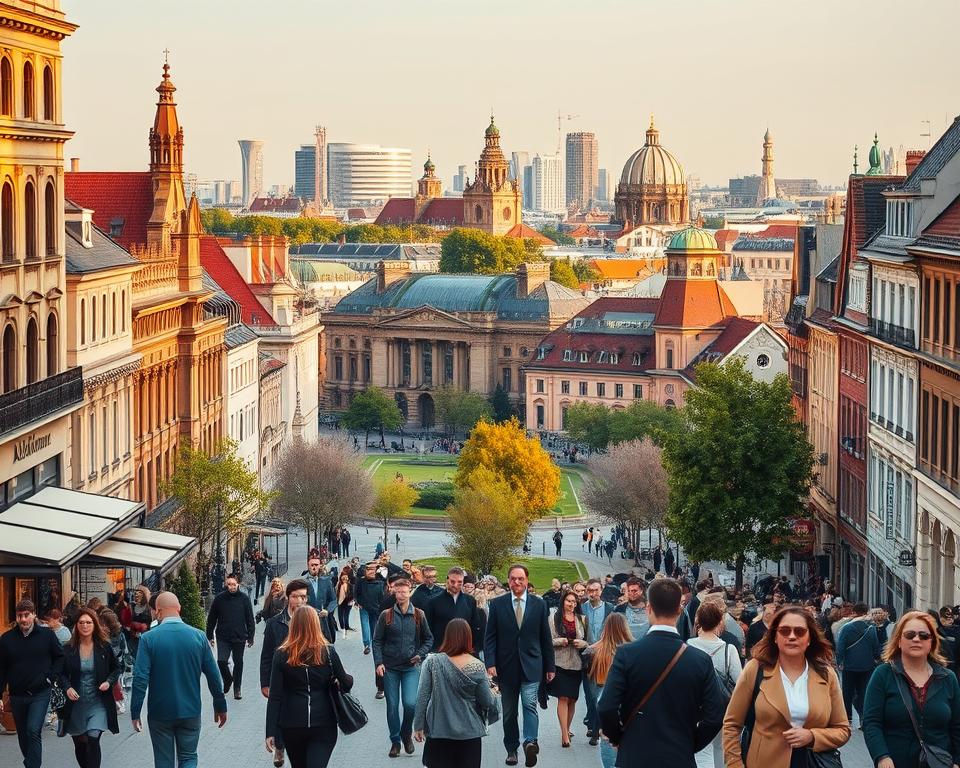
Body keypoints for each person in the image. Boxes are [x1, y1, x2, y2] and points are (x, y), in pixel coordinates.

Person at [598, 578, 725, 768]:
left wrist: (619, 738)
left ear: (649, 608)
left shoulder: (627, 654)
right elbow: (716, 713)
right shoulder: (699, 660)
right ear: (679, 610)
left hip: (635, 754)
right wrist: (692, 742)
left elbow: (606, 706)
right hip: (679, 755)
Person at [722, 606, 850, 768]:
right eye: (784, 631)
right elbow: (732, 724)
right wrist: (735, 764)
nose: (791, 636)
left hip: (812, 762)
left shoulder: (826, 674)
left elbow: (842, 729)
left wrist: (812, 736)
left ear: (809, 638)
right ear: (775, 636)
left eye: (799, 631)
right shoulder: (756, 669)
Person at [130, 592, 228, 768]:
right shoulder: (198, 637)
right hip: (190, 709)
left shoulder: (148, 639)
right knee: (189, 757)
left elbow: (140, 678)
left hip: (160, 711)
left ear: (157, 611)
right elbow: (214, 675)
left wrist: (135, 711)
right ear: (179, 609)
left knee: (163, 761)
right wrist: (220, 705)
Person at [863, 610, 960, 768]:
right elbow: (871, 722)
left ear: (932, 642)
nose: (916, 639)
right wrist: (882, 756)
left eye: (923, 635)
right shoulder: (883, 674)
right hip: (895, 763)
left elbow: (957, 725)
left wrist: (957, 761)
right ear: (899, 641)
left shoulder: (948, 678)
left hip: (940, 762)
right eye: (909, 635)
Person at [484, 564, 556, 767]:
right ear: (508, 580)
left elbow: (545, 638)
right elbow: (490, 638)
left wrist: (550, 666)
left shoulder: (539, 604)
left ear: (526, 580)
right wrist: (490, 663)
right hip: (506, 667)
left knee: (529, 705)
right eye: (513, 579)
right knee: (509, 713)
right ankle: (511, 749)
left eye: (521, 579)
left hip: (532, 665)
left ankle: (530, 742)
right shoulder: (497, 604)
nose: (517, 582)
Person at [265, 606, 353, 768]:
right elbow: (346, 684)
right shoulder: (327, 652)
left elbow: (275, 695)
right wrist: (347, 678)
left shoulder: (281, 654)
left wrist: (270, 731)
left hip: (292, 723)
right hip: (324, 722)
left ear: (294, 625)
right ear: (315, 624)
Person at [413, 618, 499, 768]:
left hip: (439, 731)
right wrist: (494, 692)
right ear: (468, 638)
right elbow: (487, 701)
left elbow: (422, 696)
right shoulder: (477, 666)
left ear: (447, 637)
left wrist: (418, 726)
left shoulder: (432, 662)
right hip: (469, 733)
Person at [0, 599, 65, 768]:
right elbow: (1, 669)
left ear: (34, 615)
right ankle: (30, 762)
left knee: (33, 730)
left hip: (40, 693)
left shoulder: (47, 635)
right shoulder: (6, 640)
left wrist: (50, 678)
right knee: (23, 734)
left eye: (26, 615)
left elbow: (60, 658)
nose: (23, 619)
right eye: (20, 615)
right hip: (17, 694)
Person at [373, 577, 433, 758]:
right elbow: (377, 641)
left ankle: (406, 733)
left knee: (410, 704)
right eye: (397, 592)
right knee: (392, 706)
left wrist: (420, 654)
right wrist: (379, 663)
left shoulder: (418, 615)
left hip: (410, 667)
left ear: (409, 592)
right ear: (394, 592)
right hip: (390, 667)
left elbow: (429, 638)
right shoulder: (386, 615)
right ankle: (395, 741)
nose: (400, 595)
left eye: (403, 592)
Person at [58, 608, 121, 768]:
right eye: (81, 623)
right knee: (80, 743)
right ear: (76, 626)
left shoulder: (103, 647)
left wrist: (108, 681)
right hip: (76, 704)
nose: (85, 625)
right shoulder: (68, 649)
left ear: (94, 625)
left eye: (88, 622)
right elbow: (61, 674)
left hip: (98, 702)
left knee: (93, 737)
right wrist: (67, 688)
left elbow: (116, 668)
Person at [260, 579, 310, 768]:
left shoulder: (313, 621)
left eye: (303, 597)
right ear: (288, 598)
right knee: (279, 711)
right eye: (296, 596)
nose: (299, 601)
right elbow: (266, 656)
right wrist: (265, 683)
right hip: (280, 678)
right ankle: (279, 746)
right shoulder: (275, 623)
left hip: (304, 678)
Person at [688, 601, 742, 768]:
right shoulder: (729, 649)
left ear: (698, 621)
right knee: (720, 749)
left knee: (700, 752)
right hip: (721, 706)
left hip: (694, 706)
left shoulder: (687, 646)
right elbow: (740, 682)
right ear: (720, 621)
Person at [583, 612, 633, 768]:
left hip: (602, 695)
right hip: (627, 700)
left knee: (607, 737)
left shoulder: (594, 650)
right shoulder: (633, 650)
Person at [205, 573, 255, 700]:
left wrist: (251, 635)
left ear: (238, 584)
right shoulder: (219, 599)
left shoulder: (244, 599)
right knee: (221, 661)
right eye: (229, 584)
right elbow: (212, 618)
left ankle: (237, 689)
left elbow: (250, 618)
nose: (231, 587)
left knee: (238, 662)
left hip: (239, 636)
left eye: (233, 584)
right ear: (226, 585)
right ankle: (228, 679)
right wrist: (209, 634)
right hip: (223, 636)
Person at [548, 589, 587, 748]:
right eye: (569, 601)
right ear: (563, 601)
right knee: (563, 697)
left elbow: (587, 640)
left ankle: (568, 728)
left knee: (572, 699)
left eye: (574, 601)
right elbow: (548, 640)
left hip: (576, 664)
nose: (571, 604)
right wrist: (560, 641)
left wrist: (583, 644)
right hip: (560, 662)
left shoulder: (581, 619)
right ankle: (564, 734)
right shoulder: (554, 618)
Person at [835, 601, 881, 726]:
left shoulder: (846, 628)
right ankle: (863, 718)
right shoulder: (871, 629)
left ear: (853, 612)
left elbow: (841, 646)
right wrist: (876, 658)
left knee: (847, 692)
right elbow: (875, 647)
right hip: (867, 666)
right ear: (866, 613)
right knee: (864, 692)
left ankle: (847, 717)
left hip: (849, 665)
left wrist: (839, 661)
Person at [580, 578, 615, 744]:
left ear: (601, 590)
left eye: (596, 590)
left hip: (603, 656)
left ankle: (596, 729)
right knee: (589, 694)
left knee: (598, 695)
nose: (593, 593)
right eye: (590, 590)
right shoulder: (582, 608)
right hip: (586, 656)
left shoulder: (609, 609)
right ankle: (592, 722)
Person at [424, 566, 483, 654]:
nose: (455, 585)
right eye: (452, 581)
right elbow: (427, 630)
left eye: (459, 582)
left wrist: (474, 649)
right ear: (447, 580)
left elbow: (475, 626)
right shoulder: (433, 602)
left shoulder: (470, 601)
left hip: (464, 652)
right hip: (441, 651)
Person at [354, 562, 387, 656]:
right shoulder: (380, 581)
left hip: (371, 607)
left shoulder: (363, 580)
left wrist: (357, 601)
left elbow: (356, 592)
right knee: (370, 625)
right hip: (368, 606)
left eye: (373, 569)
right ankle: (370, 644)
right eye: (369, 569)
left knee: (370, 625)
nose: (371, 572)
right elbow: (356, 592)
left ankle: (369, 644)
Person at [304, 555, 337, 643]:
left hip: (324, 621)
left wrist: (327, 610)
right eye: (312, 565)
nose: (314, 567)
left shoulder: (326, 581)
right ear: (308, 566)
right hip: (309, 620)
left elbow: (333, 600)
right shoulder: (303, 583)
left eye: (316, 565)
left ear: (320, 566)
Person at [336, 570, 353, 636]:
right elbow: (336, 593)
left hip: (347, 601)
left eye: (346, 577)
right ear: (341, 577)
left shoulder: (350, 585)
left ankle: (346, 626)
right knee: (340, 615)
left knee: (346, 615)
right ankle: (342, 627)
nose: (345, 578)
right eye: (344, 577)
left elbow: (352, 594)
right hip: (340, 602)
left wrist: (351, 600)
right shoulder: (339, 585)